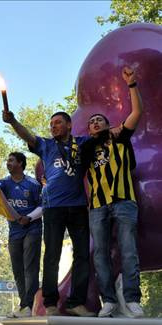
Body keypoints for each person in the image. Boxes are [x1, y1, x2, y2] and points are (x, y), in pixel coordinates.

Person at [2, 109, 94, 317]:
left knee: (82, 254)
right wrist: (13, 121)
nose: (53, 126)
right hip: (52, 208)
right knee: (52, 255)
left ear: (69, 125)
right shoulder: (46, 146)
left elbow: (105, 135)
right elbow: (28, 136)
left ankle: (76, 302)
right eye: (51, 123)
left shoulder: (82, 143)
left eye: (58, 122)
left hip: (78, 206)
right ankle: (51, 302)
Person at [83, 67, 144, 318]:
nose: (95, 122)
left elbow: (137, 113)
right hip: (97, 206)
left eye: (99, 120)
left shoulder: (119, 138)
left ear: (108, 125)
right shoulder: (86, 149)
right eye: (91, 122)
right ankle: (108, 299)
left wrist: (132, 84)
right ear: (88, 131)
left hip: (124, 201)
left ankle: (131, 299)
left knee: (129, 249)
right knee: (100, 253)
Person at [0, 152, 42, 318]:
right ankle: (24, 304)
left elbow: (43, 206)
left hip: (32, 229)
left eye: (11, 160)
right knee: (18, 270)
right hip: (14, 231)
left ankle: (30, 304)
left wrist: (28, 218)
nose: (7, 163)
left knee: (30, 267)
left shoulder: (33, 184)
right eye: (7, 160)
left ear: (20, 163)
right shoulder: (3, 184)